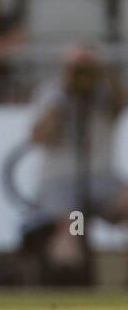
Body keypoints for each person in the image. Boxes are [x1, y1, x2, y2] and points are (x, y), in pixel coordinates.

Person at [25, 45, 128, 282]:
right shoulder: (51, 93)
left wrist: (104, 75)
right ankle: (68, 280)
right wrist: (61, 99)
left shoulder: (105, 94)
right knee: (71, 226)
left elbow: (121, 104)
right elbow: (39, 137)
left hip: (101, 177)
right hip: (61, 178)